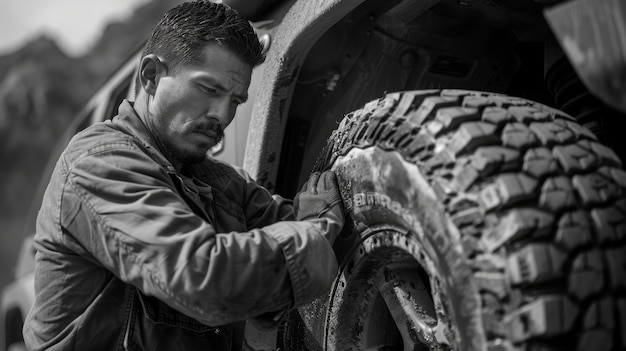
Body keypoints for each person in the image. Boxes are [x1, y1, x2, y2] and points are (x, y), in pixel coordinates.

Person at [22, 1, 344, 350]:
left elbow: (293, 221)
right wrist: (315, 236)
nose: (221, 115)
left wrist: (328, 210)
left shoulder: (215, 180)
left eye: (235, 101)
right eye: (209, 89)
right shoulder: (100, 163)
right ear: (151, 76)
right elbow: (204, 277)